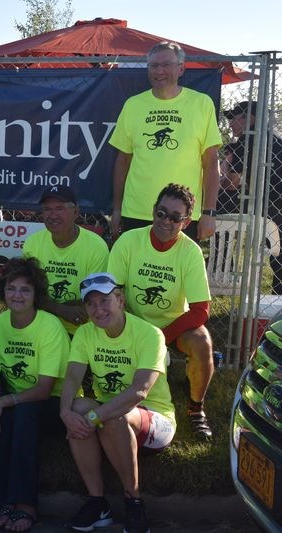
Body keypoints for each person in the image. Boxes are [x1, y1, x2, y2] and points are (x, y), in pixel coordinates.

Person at [60, 272, 175, 533]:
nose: (98, 309)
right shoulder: (85, 333)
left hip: (154, 419)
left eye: (104, 301)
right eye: (90, 304)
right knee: (78, 409)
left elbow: (140, 392)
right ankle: (97, 503)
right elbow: (72, 377)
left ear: (120, 300)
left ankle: (134, 502)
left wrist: (93, 417)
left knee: (111, 416)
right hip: (109, 415)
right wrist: (65, 412)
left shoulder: (150, 334)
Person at [108, 183, 214, 439]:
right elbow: (113, 291)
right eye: (161, 213)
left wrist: (161, 338)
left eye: (176, 217)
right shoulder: (129, 240)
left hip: (172, 328)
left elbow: (201, 310)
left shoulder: (190, 251)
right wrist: (133, 330)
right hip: (131, 321)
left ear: (186, 222)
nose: (166, 221)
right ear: (153, 211)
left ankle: (196, 408)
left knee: (202, 342)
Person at [0, 257, 70, 532]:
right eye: (12, 288)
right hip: (16, 402)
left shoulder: (49, 326)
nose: (17, 295)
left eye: (25, 290)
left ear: (36, 295)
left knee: (20, 413)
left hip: (56, 403)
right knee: (0, 421)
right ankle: (0, 502)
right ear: (3, 290)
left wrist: (4, 401)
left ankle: (26, 505)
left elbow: (45, 389)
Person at [109, 41, 221, 241]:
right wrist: (117, 209)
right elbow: (122, 160)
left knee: (177, 272)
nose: (159, 71)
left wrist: (209, 213)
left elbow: (211, 162)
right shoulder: (133, 105)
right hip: (137, 211)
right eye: (154, 65)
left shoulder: (201, 103)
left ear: (181, 68)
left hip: (182, 216)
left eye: (166, 64)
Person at [23, 185, 109, 334]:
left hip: (82, 328)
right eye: (47, 209)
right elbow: (29, 293)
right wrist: (60, 309)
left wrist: (47, 304)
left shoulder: (96, 246)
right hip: (42, 324)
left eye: (60, 208)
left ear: (76, 212)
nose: (53, 215)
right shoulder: (33, 243)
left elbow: (95, 297)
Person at [221, 100, 282, 293]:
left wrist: (225, 164)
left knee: (215, 205)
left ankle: (222, 261)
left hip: (267, 206)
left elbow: (231, 184)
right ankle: (277, 305)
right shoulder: (275, 139)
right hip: (274, 203)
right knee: (279, 260)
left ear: (250, 118)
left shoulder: (248, 139)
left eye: (233, 118)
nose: (230, 123)